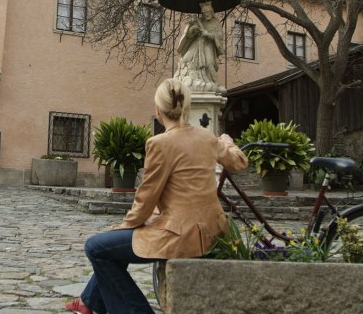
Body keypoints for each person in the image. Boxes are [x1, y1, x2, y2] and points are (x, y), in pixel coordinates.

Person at [65, 78, 248, 314]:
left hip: (180, 236)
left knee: (96, 247)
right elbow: (239, 162)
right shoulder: (208, 137)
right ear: (187, 108)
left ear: (158, 111)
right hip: (212, 231)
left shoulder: (159, 143)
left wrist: (124, 226)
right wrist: (226, 140)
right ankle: (89, 301)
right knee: (115, 246)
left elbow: (145, 198)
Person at [173, 1, 226, 94]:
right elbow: (188, 35)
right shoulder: (200, 21)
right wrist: (192, 30)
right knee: (186, 59)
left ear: (211, 11)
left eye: (208, 12)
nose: (206, 15)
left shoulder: (215, 22)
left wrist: (208, 34)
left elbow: (220, 36)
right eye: (205, 13)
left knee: (210, 63)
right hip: (197, 44)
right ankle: (189, 79)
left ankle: (215, 83)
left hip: (208, 45)